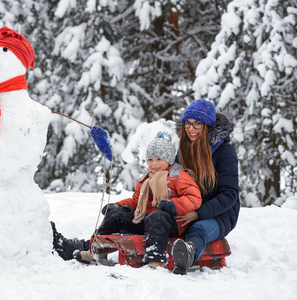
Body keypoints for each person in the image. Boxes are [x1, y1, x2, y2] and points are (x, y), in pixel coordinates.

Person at [53, 132, 202, 268]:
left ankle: (155, 260)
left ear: (169, 159)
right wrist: (118, 205)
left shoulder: (178, 176)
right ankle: (96, 250)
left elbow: (194, 198)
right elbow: (136, 201)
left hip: (171, 222)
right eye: (150, 159)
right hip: (145, 220)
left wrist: (174, 205)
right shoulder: (145, 180)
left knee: (157, 216)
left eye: (159, 159)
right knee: (117, 214)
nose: (154, 164)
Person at [171, 99, 240, 274]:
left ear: (207, 126)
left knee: (198, 229)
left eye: (197, 124)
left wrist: (198, 214)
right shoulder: (183, 149)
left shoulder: (224, 151)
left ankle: (187, 255)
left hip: (220, 214)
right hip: (189, 207)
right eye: (187, 123)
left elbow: (229, 195)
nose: (191, 129)